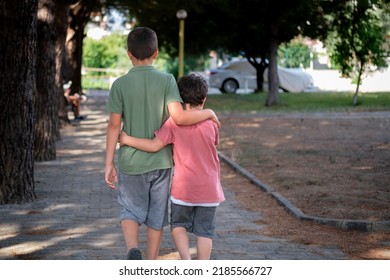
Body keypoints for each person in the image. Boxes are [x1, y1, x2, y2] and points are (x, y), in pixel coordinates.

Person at [105, 27, 220, 260]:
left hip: (130, 161)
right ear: (156, 53)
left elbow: (113, 127)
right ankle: (151, 260)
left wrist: (108, 163)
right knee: (156, 215)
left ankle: (132, 249)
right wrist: (208, 112)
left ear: (129, 54)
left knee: (129, 209)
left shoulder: (119, 84)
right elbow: (179, 118)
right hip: (161, 162)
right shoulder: (167, 80)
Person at [119, 74, 225, 260]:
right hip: (209, 189)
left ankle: (186, 259)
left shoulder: (173, 123)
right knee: (205, 232)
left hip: (183, 189)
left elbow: (154, 146)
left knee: (178, 226)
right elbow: (215, 142)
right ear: (204, 99)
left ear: (178, 100)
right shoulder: (211, 124)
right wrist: (209, 113)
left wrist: (127, 139)